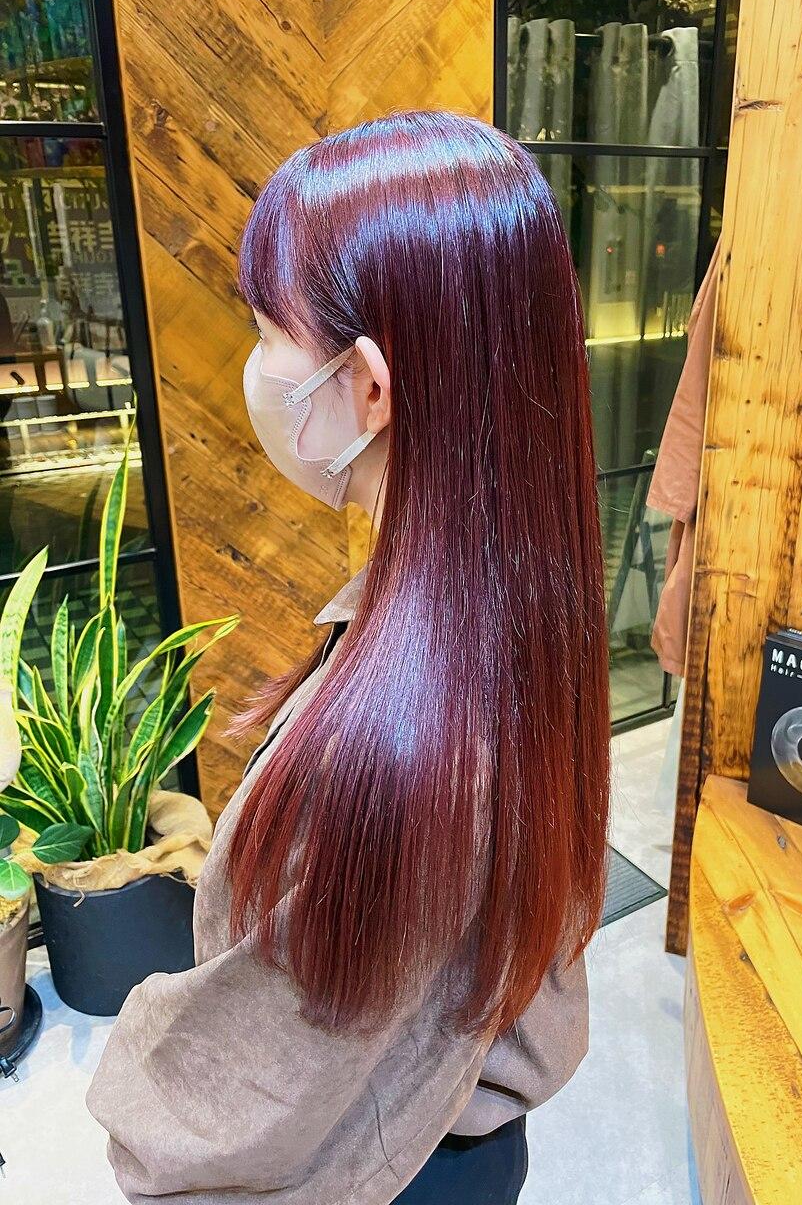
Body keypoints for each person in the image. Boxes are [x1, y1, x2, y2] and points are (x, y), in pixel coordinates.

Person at [85, 109, 612, 1204]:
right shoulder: (524, 609)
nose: (254, 366)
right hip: (467, 1148)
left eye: (264, 331)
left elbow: (234, 1107)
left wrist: (134, 1072)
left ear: (368, 386)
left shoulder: (397, 739)